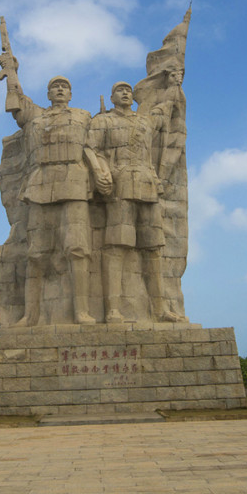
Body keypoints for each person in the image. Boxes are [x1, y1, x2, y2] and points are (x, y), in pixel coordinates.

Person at [6, 74, 109, 326]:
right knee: (36, 252)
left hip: (74, 182)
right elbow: (17, 101)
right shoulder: (36, 117)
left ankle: (81, 312)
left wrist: (99, 172)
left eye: (65, 87)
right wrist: (12, 72)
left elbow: (91, 148)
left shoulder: (84, 116)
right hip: (40, 183)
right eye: (55, 87)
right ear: (48, 94)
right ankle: (31, 315)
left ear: (71, 94)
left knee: (78, 249)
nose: (60, 89)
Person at [88, 81, 185, 323]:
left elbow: (164, 110)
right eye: (120, 90)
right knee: (116, 247)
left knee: (152, 249)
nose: (125, 93)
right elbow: (90, 148)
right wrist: (101, 172)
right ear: (111, 97)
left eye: (128, 90)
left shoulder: (144, 120)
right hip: (120, 185)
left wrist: (173, 83)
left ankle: (160, 309)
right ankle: (112, 309)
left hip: (148, 185)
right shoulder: (103, 121)